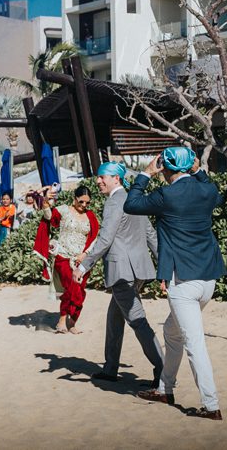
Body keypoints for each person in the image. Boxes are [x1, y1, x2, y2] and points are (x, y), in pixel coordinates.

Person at [127, 148, 225, 420]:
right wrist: (199, 172)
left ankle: (211, 405)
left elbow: (131, 204)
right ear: (189, 165)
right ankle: (164, 388)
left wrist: (146, 174)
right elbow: (216, 195)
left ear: (165, 168)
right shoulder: (205, 191)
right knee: (172, 332)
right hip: (209, 278)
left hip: (183, 281)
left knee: (194, 343)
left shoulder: (165, 195)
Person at [72, 162, 163, 385]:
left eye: (103, 177)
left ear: (117, 179)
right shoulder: (135, 197)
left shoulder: (114, 202)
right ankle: (111, 368)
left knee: (137, 320)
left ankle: (163, 370)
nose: (98, 181)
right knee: (114, 317)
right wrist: (164, 264)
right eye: (98, 177)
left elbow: (106, 238)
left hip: (122, 271)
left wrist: (84, 266)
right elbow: (151, 234)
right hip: (138, 270)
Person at [35, 185, 99, 333]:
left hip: (82, 260)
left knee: (79, 291)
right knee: (71, 288)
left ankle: (72, 321)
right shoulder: (63, 209)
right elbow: (50, 218)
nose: (84, 205)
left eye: (87, 203)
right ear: (74, 198)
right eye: (81, 201)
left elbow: (95, 237)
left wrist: (85, 254)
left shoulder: (91, 216)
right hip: (63, 256)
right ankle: (63, 318)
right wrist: (45, 205)